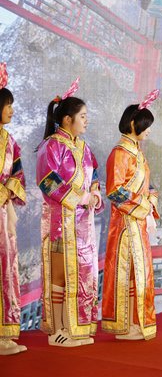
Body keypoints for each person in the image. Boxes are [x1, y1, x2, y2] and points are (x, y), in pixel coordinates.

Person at [36, 78, 104, 346]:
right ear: (67, 119)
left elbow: (94, 174)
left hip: (83, 225)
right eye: (83, 116)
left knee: (82, 274)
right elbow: (47, 182)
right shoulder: (51, 145)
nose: (86, 121)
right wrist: (82, 197)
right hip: (59, 222)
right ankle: (57, 330)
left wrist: (95, 194)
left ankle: (76, 327)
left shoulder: (84, 147)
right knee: (60, 275)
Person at [102, 90, 159, 340]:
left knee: (140, 273)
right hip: (125, 224)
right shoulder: (120, 153)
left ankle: (137, 322)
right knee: (124, 273)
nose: (149, 131)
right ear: (133, 124)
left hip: (138, 223)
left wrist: (152, 200)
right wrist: (144, 206)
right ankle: (123, 326)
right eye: (146, 125)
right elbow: (115, 191)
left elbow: (148, 186)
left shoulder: (137, 152)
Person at [0, 63, 27, 355]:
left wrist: (7, 191)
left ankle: (3, 335)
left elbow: (18, 175)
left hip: (3, 212)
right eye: (8, 105)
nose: (12, 110)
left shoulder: (10, 142)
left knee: (6, 268)